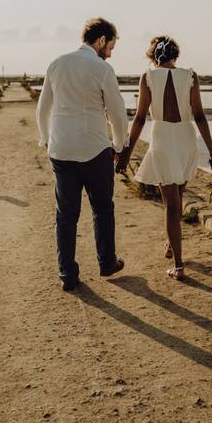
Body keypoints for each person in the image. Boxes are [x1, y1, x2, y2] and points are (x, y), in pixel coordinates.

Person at [115, 36, 212, 280]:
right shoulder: (190, 76)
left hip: (163, 141)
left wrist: (125, 154)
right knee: (178, 198)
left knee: (171, 205)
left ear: (153, 57)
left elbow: (141, 118)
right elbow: (200, 116)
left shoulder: (148, 77)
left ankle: (179, 264)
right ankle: (170, 244)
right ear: (176, 56)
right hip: (187, 141)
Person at [36, 18, 128, 290]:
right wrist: (120, 146)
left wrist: (45, 140)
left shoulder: (57, 64)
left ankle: (68, 275)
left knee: (65, 214)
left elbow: (42, 109)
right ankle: (107, 263)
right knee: (102, 208)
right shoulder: (102, 69)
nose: (110, 52)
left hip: (61, 149)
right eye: (110, 46)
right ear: (100, 40)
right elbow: (117, 114)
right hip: (94, 148)